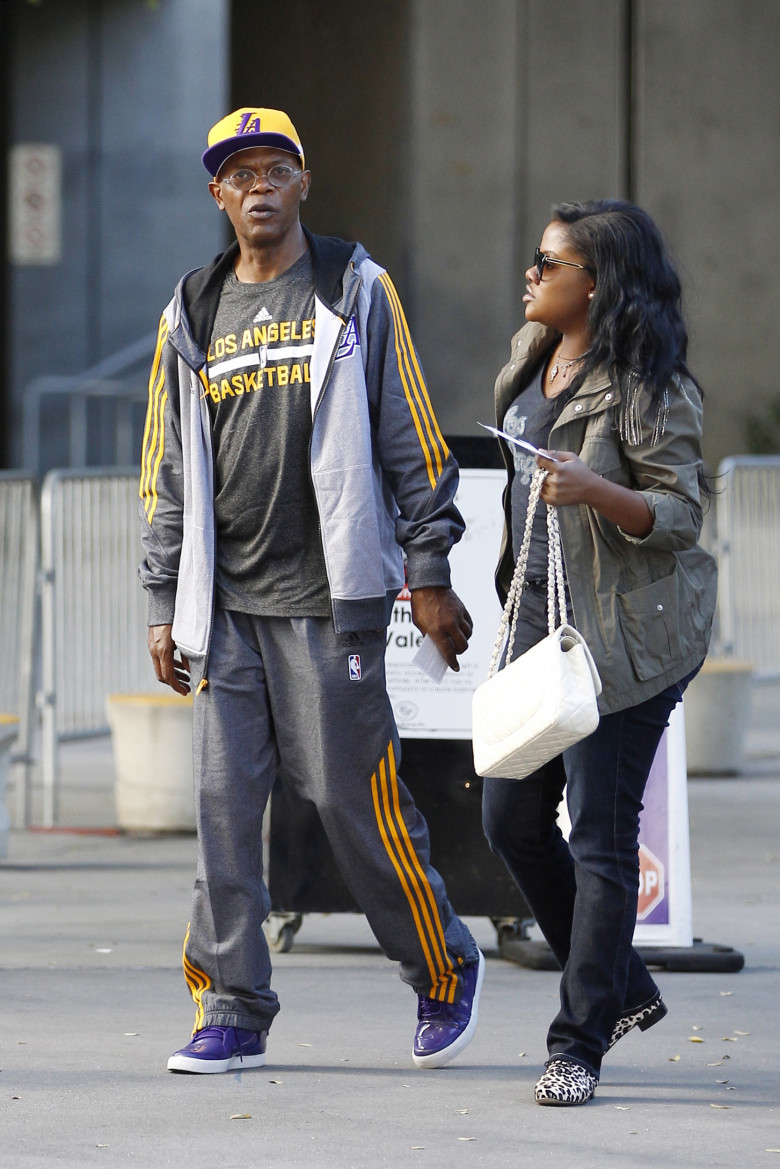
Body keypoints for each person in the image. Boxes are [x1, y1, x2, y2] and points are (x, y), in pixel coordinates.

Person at [138, 107, 484, 1074]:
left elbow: (412, 439)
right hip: (227, 608)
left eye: (275, 168)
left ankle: (443, 966)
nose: (258, 185)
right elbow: (165, 469)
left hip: (332, 604)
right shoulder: (192, 308)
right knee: (221, 808)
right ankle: (233, 1006)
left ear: (303, 182)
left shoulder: (352, 286)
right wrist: (162, 603)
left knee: (348, 796)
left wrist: (426, 570)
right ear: (217, 193)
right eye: (238, 171)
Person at [481, 199, 717, 1106]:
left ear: (599, 282)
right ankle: (623, 987)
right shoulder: (530, 357)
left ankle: (577, 1041)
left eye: (549, 262)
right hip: (539, 621)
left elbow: (681, 515)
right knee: (508, 816)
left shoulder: (650, 384)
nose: (532, 274)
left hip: (624, 635)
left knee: (604, 836)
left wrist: (596, 489)